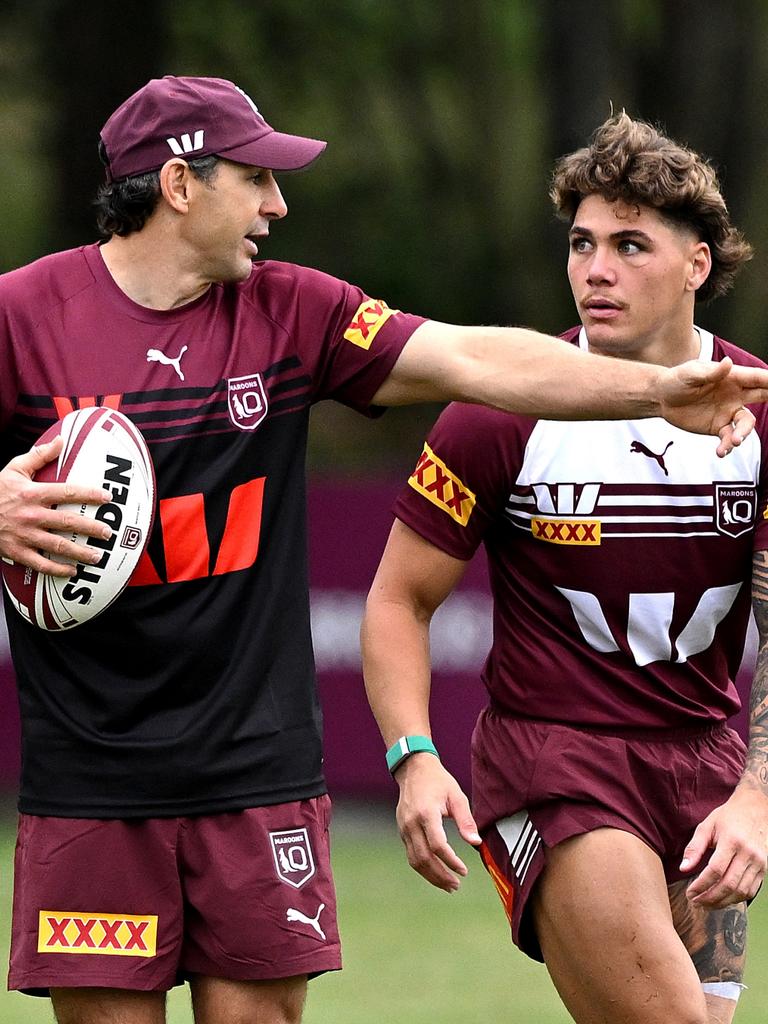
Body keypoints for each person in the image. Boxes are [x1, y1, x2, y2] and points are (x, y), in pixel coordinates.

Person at [0, 80, 767, 1024]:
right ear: (179, 185)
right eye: (256, 178)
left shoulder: (292, 312)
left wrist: (656, 392)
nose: (279, 205)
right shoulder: (22, 314)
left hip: (257, 774)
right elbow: (404, 591)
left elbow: (475, 360)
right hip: (90, 777)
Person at [361, 111, 768, 1024]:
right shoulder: (501, 408)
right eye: (583, 243)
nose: (596, 269)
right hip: (557, 762)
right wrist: (413, 758)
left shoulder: (756, 412)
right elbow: (399, 598)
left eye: (630, 245)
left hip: (706, 766)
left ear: (698, 265)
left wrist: (757, 795)